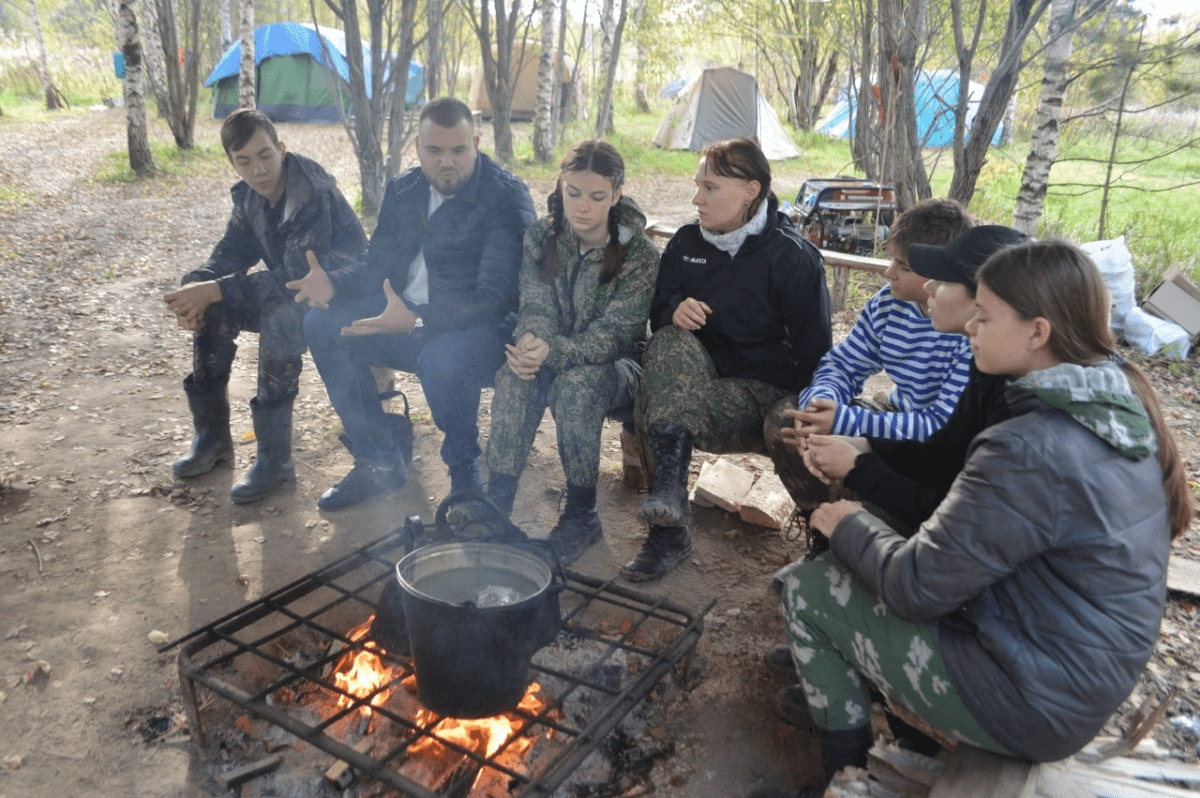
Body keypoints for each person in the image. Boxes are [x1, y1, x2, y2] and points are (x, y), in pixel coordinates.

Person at [753, 239, 1194, 798]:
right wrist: (866, 459)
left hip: (1034, 702)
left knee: (809, 588)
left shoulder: (1028, 443)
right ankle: (897, 712)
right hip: (1072, 673)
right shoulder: (1111, 401)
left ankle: (845, 776)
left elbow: (916, 587)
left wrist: (846, 522)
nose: (969, 328)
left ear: (1038, 332)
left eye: (984, 316)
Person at [292, 98, 537, 510]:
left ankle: (464, 470)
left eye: (458, 150)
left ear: (476, 144)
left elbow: (498, 298)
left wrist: (419, 318)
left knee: (441, 358)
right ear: (418, 148)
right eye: (434, 150)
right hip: (406, 318)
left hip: (481, 333)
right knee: (321, 323)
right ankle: (379, 460)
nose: (447, 162)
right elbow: (376, 266)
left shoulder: (505, 196)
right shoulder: (404, 189)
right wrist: (334, 284)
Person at [621, 137, 832, 582]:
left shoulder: (791, 257)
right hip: (702, 392)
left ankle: (828, 546)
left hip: (766, 399)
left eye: (710, 187)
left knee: (791, 420)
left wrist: (800, 416)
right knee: (667, 343)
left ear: (750, 191)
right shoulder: (685, 244)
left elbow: (817, 356)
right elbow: (658, 315)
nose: (696, 198)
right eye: (698, 185)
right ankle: (668, 523)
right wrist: (673, 311)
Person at [164, 108, 367, 504]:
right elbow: (229, 254)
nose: (257, 170)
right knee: (214, 308)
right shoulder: (250, 198)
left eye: (265, 155)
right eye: (244, 161)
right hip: (298, 291)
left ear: (282, 149)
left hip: (344, 294)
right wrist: (193, 289)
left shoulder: (310, 194)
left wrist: (215, 289)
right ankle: (212, 440)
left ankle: (275, 459)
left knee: (279, 317)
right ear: (231, 163)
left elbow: (295, 279)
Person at [484, 141, 660, 564]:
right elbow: (536, 304)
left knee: (576, 388)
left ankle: (582, 515)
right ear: (560, 187)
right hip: (554, 352)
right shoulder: (542, 236)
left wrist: (552, 351)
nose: (582, 207)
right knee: (514, 376)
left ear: (616, 194)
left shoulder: (639, 253)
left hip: (620, 366)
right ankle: (496, 508)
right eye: (572, 193)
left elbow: (616, 333)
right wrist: (531, 342)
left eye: (597, 197)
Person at [799, 225, 1028, 535]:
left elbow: (954, 516)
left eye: (943, 280)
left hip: (971, 545)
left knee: (845, 538)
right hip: (956, 525)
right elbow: (942, 452)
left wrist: (858, 466)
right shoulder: (991, 368)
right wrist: (860, 442)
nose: (929, 286)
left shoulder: (1023, 408)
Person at [763, 199, 975, 514]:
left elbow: (940, 429)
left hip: (937, 445)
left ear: (941, 272)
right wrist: (820, 404)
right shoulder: (888, 303)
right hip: (897, 413)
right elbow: (843, 365)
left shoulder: (969, 331)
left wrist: (844, 422)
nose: (889, 273)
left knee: (881, 471)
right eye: (892, 260)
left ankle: (865, 523)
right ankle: (821, 519)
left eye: (904, 267)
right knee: (789, 422)